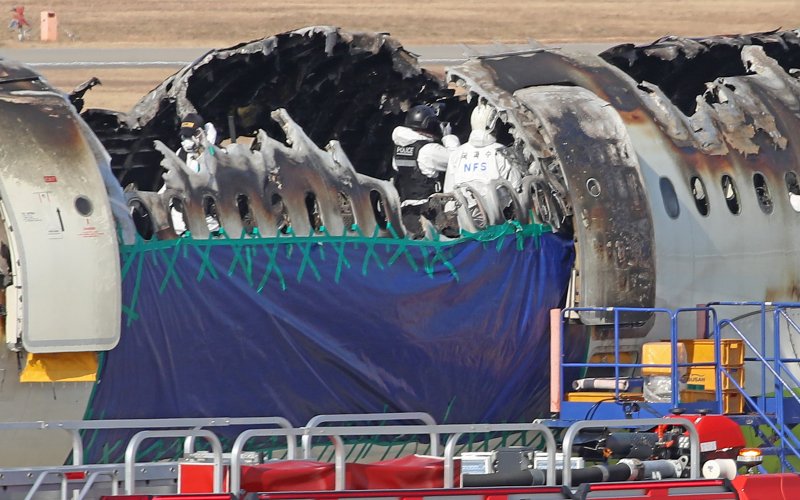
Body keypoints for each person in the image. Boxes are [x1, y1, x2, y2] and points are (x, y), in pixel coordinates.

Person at [444, 99, 523, 226]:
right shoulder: (501, 152)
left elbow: (449, 191)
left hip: (465, 222)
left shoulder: (457, 154)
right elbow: (517, 187)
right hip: (499, 223)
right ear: (495, 125)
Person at [160, 113, 221, 236]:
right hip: (180, 217)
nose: (185, 141)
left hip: (207, 218)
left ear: (199, 134)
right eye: (183, 137)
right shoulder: (181, 154)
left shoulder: (215, 153)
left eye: (189, 136)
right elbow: (171, 178)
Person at [391, 104, 460, 206]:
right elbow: (457, 160)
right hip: (429, 208)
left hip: (406, 208)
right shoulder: (428, 150)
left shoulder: (399, 149)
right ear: (429, 125)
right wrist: (448, 136)